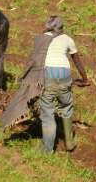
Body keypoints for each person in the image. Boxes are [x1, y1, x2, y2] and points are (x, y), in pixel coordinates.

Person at [34, 16, 91, 154]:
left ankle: (47, 149)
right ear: (61, 26)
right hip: (65, 77)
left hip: (48, 78)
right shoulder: (68, 39)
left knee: (47, 113)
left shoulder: (41, 38)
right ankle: (70, 142)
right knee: (66, 108)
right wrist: (85, 79)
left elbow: (34, 59)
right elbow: (77, 61)